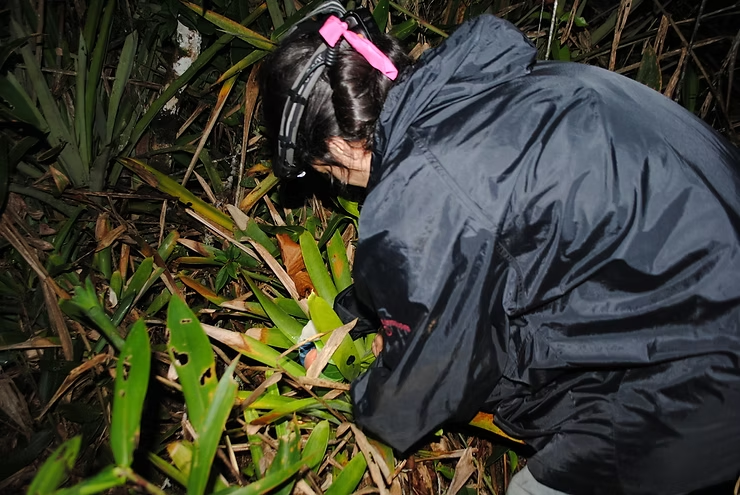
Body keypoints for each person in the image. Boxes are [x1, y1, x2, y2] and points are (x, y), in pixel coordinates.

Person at [260, 2, 740, 494]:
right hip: (700, 275)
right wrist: (363, 314)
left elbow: (424, 387)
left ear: (339, 146)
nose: (341, 184)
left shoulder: (425, 188)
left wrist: (370, 385)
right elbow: (488, 250)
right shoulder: (479, 89)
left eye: (327, 172)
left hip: (706, 368)